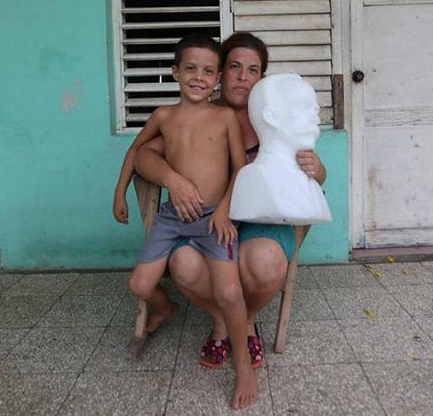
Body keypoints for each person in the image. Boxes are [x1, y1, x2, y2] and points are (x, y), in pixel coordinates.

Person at [133, 32, 327, 368]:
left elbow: (309, 180)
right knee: (184, 263)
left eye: (253, 70)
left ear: (261, 78)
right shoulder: (203, 112)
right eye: (235, 66)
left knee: (265, 261)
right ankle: (223, 320)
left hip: (259, 223)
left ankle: (243, 322)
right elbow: (145, 155)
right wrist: (172, 180)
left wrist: (318, 169)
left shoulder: (275, 119)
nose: (242, 76)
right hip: (206, 220)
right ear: (221, 72)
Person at [112, 34, 257, 409]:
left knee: (229, 292)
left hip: (213, 219)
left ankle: (243, 366)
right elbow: (136, 150)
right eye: (190, 68)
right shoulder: (164, 115)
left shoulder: (224, 116)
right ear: (175, 72)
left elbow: (240, 168)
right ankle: (165, 308)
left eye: (208, 71)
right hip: (171, 218)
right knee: (139, 283)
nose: (198, 77)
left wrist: (225, 209)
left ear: (218, 78)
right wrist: (119, 191)